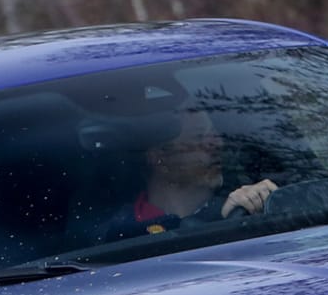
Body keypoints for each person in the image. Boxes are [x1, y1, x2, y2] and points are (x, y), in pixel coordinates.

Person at [117, 102, 280, 237]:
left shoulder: (239, 205)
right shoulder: (121, 233)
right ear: (159, 157)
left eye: (214, 134)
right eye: (199, 137)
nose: (218, 145)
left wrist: (258, 203)